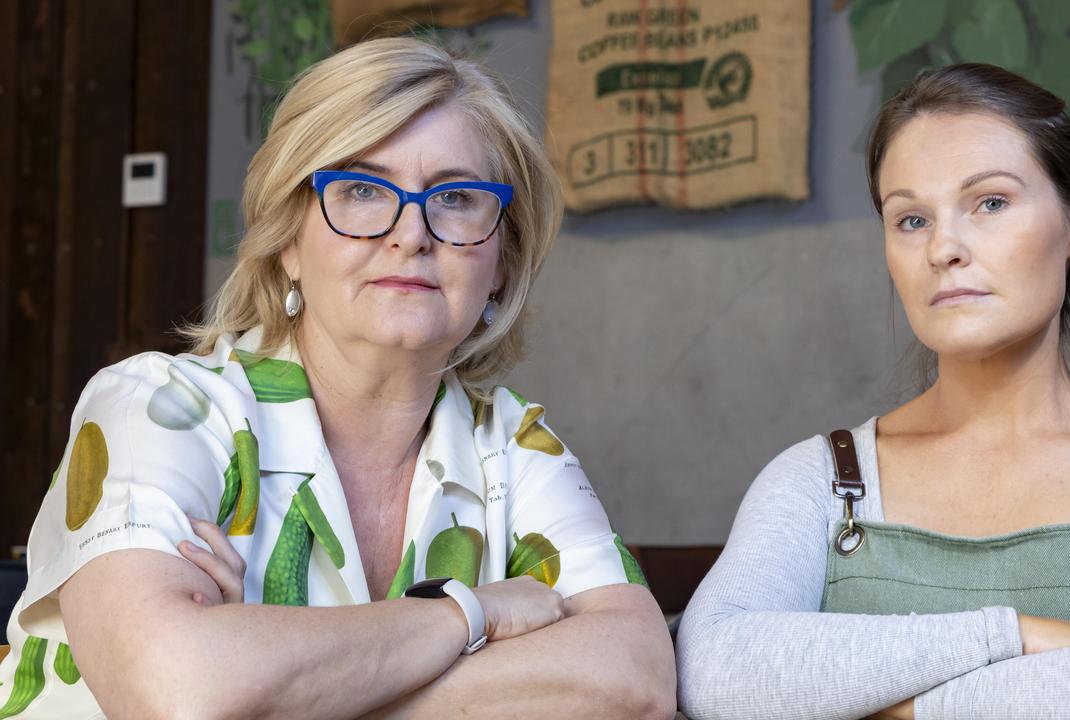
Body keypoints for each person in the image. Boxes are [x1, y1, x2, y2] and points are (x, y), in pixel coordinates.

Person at [0, 38, 675, 719]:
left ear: (501, 261)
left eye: (458, 197)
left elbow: (636, 678)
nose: (412, 232)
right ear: (287, 240)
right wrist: (466, 617)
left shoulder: (514, 446)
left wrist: (282, 687)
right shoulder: (158, 408)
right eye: (359, 189)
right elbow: (181, 693)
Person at [676, 64, 1070, 720]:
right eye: (911, 219)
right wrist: (1011, 634)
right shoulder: (816, 481)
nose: (944, 247)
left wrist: (866, 701)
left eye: (991, 202)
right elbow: (714, 671)